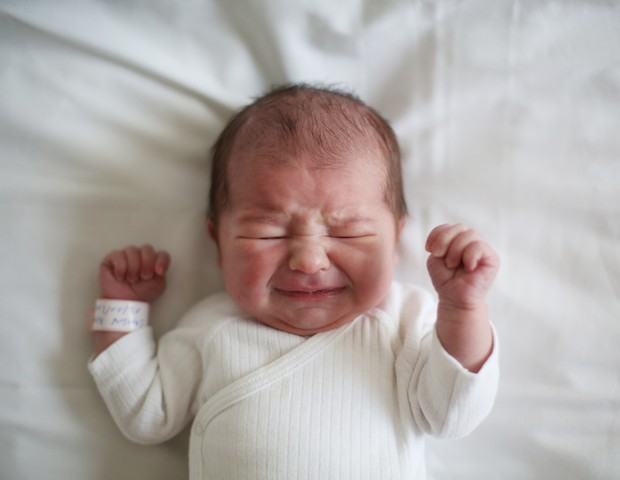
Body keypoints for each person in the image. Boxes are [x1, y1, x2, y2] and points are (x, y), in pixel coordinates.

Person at [88, 84, 500, 479]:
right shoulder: (211, 327)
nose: (308, 260)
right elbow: (145, 416)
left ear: (395, 239)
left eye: (347, 233)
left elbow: (451, 416)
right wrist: (122, 310)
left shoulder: (405, 320)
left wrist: (463, 309)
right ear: (218, 241)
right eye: (269, 233)